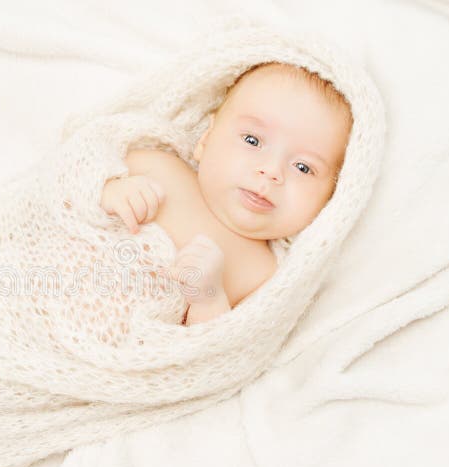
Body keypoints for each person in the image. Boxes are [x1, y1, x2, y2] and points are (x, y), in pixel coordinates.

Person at [100, 61, 353, 324]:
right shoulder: (154, 165)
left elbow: (223, 345)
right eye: (253, 141)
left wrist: (209, 299)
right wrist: (108, 191)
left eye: (303, 167)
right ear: (206, 139)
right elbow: (78, 174)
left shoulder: (264, 277)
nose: (271, 171)